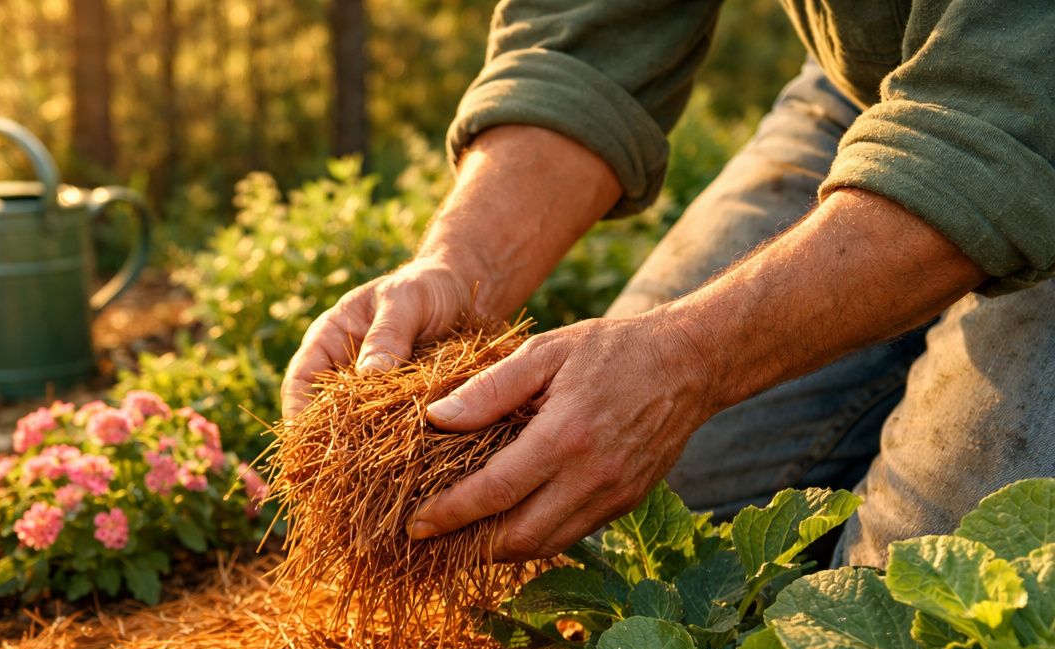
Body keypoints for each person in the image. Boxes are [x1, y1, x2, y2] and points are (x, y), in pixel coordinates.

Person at [282, 2, 1055, 567]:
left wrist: (688, 358)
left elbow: (1002, 114)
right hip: (873, 83)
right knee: (629, 511)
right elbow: (589, 32)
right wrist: (460, 264)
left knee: (925, 612)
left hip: (1029, 94)